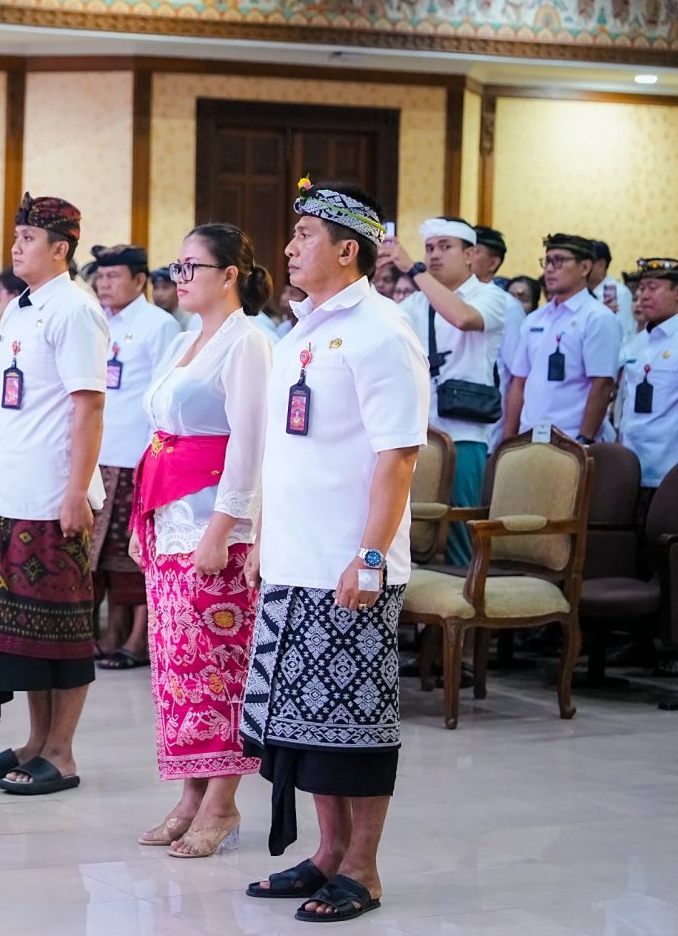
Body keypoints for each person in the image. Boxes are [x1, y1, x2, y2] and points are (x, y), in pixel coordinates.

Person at [241, 180, 427, 921]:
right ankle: (324, 854)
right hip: (295, 559)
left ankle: (363, 868)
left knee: (354, 723)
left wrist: (372, 557)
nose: (289, 247)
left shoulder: (383, 329)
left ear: (347, 250)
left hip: (351, 564)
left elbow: (399, 456)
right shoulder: (304, 329)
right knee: (304, 726)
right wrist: (263, 536)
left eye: (305, 235)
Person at [131, 223, 271, 859]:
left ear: (229, 275)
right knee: (177, 672)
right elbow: (160, 433)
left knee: (218, 670)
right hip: (170, 521)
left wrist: (222, 528)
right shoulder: (187, 341)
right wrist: (146, 522)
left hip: (218, 528)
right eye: (177, 266)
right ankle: (190, 793)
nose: (179, 277)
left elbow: (248, 445)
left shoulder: (248, 343)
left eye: (191, 267)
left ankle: (222, 801)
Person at [0, 193, 108, 796]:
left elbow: (90, 404)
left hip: (52, 496)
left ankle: (63, 753)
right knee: (24, 635)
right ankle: (34, 743)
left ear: (60, 248)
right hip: (6, 492)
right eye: (16, 236)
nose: (16, 247)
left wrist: (77, 490)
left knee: (61, 630)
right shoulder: (21, 307)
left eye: (27, 238)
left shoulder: (75, 309)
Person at [380, 218, 508, 565]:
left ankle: (460, 609)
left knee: (460, 529)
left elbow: (463, 318)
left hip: (465, 431)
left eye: (445, 247)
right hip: (418, 432)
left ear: (470, 254)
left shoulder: (491, 296)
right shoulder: (416, 304)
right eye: (429, 248)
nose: (434, 255)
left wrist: (414, 269)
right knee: (413, 526)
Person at [87, 244, 178, 670]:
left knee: (132, 557)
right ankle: (110, 631)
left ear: (140, 281)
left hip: (136, 455)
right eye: (100, 277)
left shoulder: (158, 325)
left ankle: (138, 640)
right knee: (98, 556)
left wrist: (154, 458)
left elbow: (164, 396)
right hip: (97, 454)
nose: (104, 284)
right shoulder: (94, 319)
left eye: (113, 277)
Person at [503, 234, 622, 445]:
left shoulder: (598, 317)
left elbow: (602, 384)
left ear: (585, 267)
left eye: (559, 261)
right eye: (547, 262)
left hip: (570, 438)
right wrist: (508, 441)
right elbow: (519, 382)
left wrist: (584, 440)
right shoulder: (534, 319)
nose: (549, 269)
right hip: (529, 436)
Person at [618, 259, 678, 515]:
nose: (642, 295)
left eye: (652, 287)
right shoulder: (638, 342)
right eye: (641, 288)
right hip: (631, 468)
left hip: (671, 469)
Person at [470, 227, 525, 452]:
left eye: (474, 251)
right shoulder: (446, 300)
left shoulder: (507, 305)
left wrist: (508, 437)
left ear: (493, 263)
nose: (467, 256)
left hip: (489, 426)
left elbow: (516, 375)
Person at [588, 239, 635, 338]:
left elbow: (625, 336)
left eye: (586, 262)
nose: (581, 267)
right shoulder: (580, 292)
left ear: (601, 265)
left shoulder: (620, 293)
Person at [149, 264, 193, 329]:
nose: (159, 294)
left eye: (165, 287)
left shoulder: (190, 321)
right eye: (155, 288)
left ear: (177, 289)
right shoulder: (149, 318)